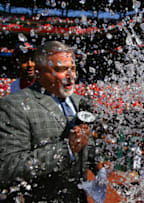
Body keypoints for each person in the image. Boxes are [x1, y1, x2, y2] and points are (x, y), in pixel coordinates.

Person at [0, 41, 100, 202]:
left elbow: (87, 146)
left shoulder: (81, 102)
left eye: (72, 69)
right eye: (61, 69)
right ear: (39, 72)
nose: (71, 76)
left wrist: (98, 163)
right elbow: (8, 168)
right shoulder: (13, 105)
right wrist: (66, 149)